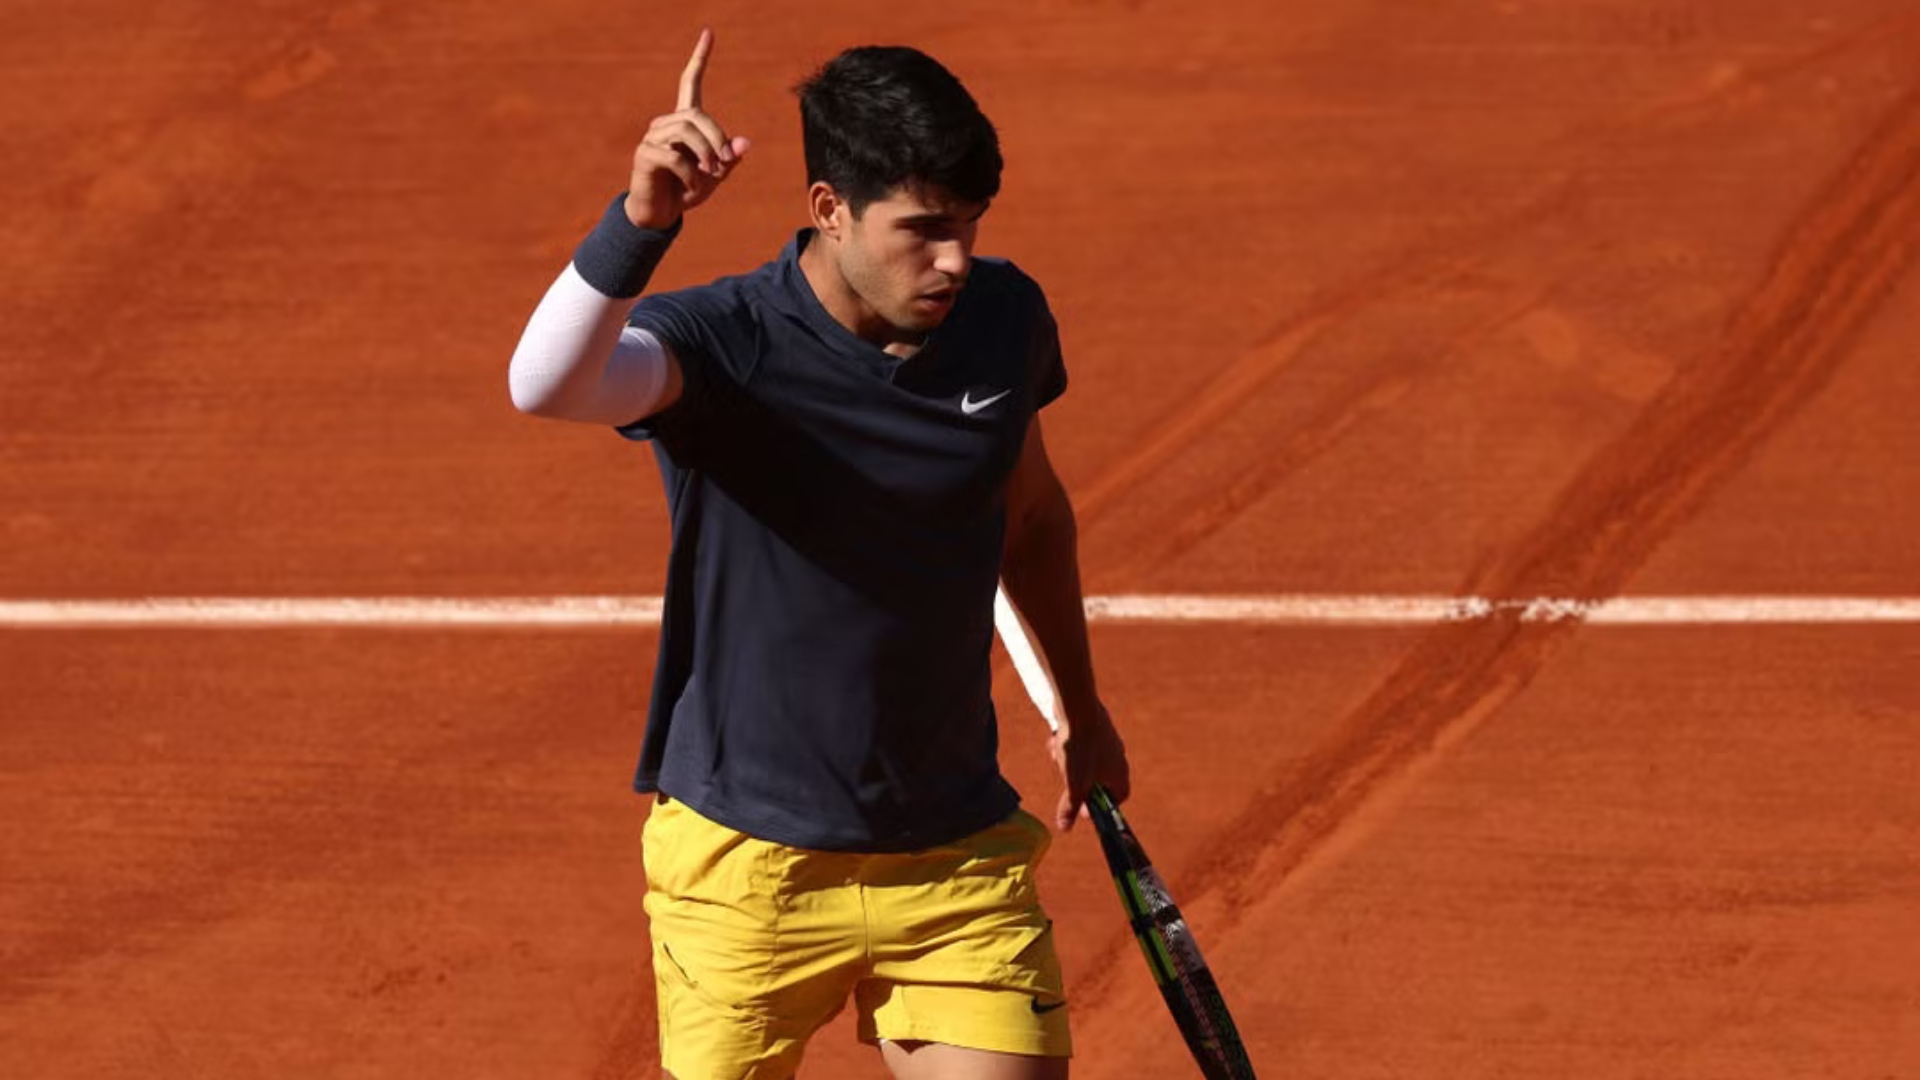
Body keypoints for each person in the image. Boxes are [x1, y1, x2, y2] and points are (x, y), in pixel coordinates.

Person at [508, 29, 1129, 1080]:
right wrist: (640, 225)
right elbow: (547, 385)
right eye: (923, 230)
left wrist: (1083, 705)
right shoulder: (725, 343)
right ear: (829, 207)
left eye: (971, 227)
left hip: (949, 853)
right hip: (746, 871)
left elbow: (1028, 515)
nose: (955, 262)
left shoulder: (1003, 319)